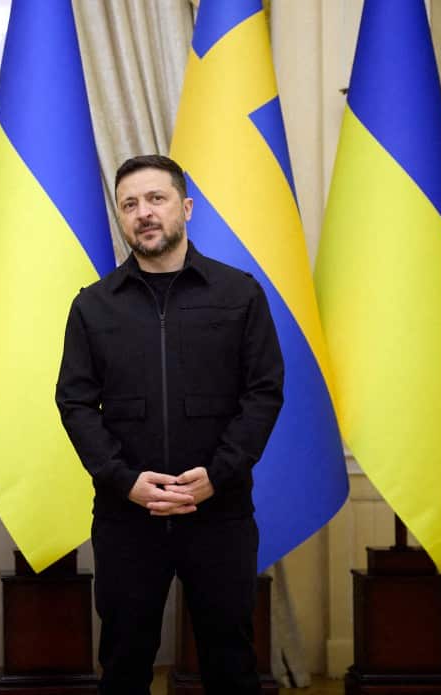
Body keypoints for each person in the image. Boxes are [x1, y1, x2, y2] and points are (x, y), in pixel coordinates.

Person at [55, 154, 284, 694]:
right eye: (129, 205)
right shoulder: (93, 306)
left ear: (185, 207)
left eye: (155, 199)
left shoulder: (239, 294)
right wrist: (124, 481)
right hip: (127, 515)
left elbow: (264, 392)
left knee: (231, 662)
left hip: (219, 512)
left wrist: (218, 474)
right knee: (124, 663)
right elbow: (75, 403)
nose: (144, 214)